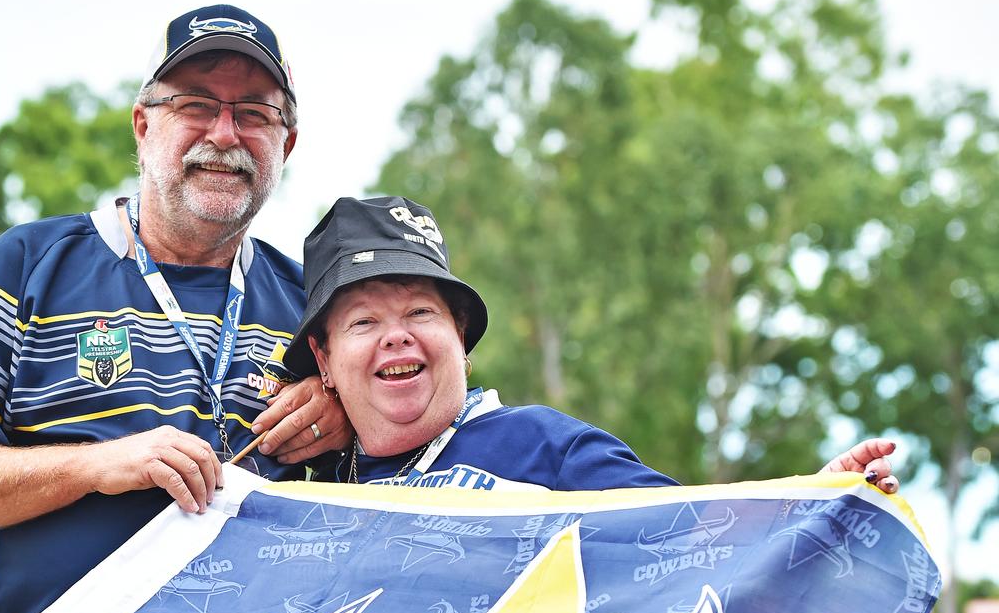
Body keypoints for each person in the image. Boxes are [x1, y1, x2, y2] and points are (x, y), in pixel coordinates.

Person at [0, 4, 350, 613]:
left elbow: (396, 470)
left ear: (286, 144)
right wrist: (95, 466)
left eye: (254, 113)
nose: (224, 133)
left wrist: (342, 417)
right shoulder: (28, 266)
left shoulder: (315, 302)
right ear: (143, 125)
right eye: (195, 104)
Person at [281, 196, 900, 493]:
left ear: (461, 340)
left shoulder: (545, 448)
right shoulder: (310, 493)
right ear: (326, 362)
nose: (397, 335)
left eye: (422, 311)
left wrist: (816, 507)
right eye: (363, 322)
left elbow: (696, 542)